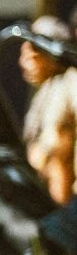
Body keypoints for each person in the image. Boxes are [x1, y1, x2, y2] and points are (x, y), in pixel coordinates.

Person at [21, 16, 77, 208]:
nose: (26, 61)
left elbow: (61, 144)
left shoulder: (71, 82)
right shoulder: (48, 88)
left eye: (33, 52)